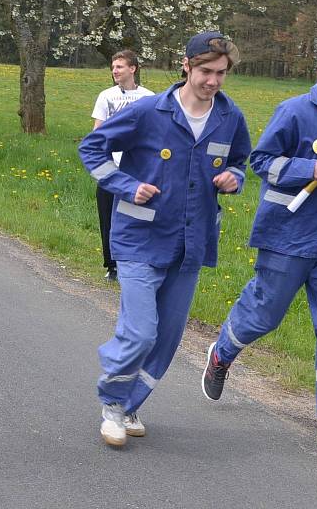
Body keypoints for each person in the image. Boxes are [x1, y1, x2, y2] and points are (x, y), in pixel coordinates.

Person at [201, 39, 317, 451]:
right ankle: (222, 352)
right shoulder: (294, 112)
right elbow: (261, 161)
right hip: (288, 237)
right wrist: (305, 168)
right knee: (264, 315)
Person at [79, 32, 251, 447]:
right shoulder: (148, 112)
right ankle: (112, 404)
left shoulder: (230, 117)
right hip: (140, 239)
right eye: (206, 71)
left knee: (168, 338)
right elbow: (92, 149)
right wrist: (124, 184)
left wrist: (235, 179)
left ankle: (131, 404)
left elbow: (241, 162)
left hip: (192, 244)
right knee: (140, 332)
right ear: (186, 66)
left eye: (221, 73)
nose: (213, 81)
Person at [91, 50, 155, 281]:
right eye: (113, 66)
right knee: (107, 217)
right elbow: (97, 133)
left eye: (119, 66)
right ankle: (112, 266)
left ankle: (137, 261)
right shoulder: (106, 96)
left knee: (137, 217)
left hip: (138, 170)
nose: (114, 71)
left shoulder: (149, 97)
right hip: (111, 168)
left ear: (132, 69)